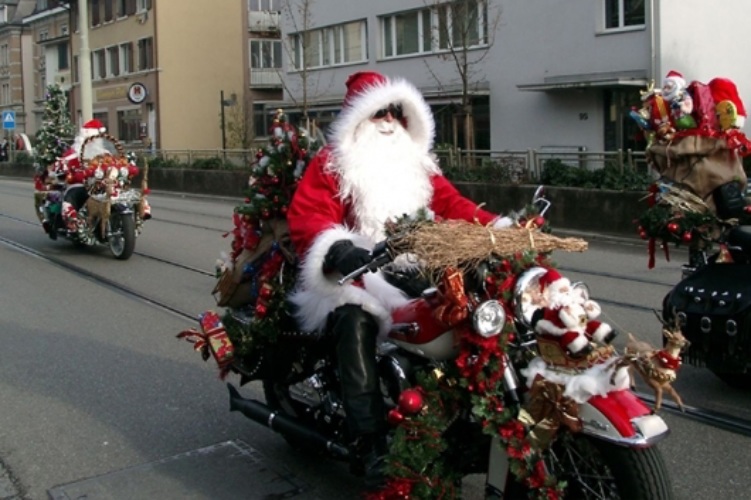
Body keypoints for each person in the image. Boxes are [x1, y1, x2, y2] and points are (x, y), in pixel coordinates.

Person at [286, 71, 513, 488]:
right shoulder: (333, 165)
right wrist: (339, 248)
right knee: (355, 320)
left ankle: (458, 412)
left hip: (416, 264)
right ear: (358, 119)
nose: (388, 120)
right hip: (355, 272)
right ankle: (370, 443)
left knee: (474, 305)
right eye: (377, 112)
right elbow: (310, 215)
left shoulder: (417, 166)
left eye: (395, 111)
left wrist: (497, 229)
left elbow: (452, 204)